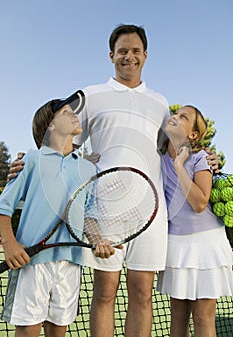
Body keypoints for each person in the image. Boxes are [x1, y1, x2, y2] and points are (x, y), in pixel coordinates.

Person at [7, 24, 219, 337]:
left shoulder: (161, 102)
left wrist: (206, 158)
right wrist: (28, 164)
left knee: (142, 294)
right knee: (105, 294)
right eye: (122, 51)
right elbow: (61, 142)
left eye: (135, 51)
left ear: (145, 55)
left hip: (152, 214)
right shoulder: (91, 95)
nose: (128, 56)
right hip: (103, 212)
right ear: (111, 55)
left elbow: (176, 147)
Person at [0, 92, 115, 337]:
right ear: (51, 126)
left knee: (58, 330)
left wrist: (97, 240)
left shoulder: (87, 169)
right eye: (66, 112)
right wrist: (9, 244)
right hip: (32, 263)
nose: (74, 114)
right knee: (28, 331)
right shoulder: (31, 160)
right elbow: (3, 207)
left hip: (70, 263)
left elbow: (88, 215)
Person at [157, 105, 233, 337]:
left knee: (202, 315)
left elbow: (200, 204)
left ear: (193, 135)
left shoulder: (201, 158)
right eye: (175, 114)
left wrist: (180, 166)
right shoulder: (156, 158)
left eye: (183, 117)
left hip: (207, 244)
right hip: (176, 244)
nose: (175, 117)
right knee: (178, 314)